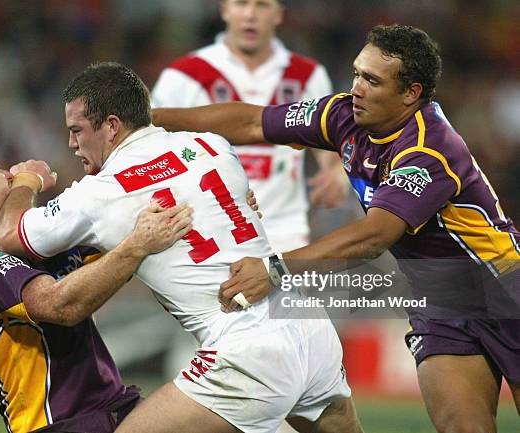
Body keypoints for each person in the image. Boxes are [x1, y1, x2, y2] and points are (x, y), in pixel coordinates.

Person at [152, 24, 520, 432]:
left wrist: (274, 270)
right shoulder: (344, 115)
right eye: (357, 73)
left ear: (411, 93)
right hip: (441, 303)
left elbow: (375, 236)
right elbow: (253, 122)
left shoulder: (428, 149)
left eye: (372, 80)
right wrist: (147, 122)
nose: (357, 88)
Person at [0, 62, 363, 433]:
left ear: (111, 125)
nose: (72, 144)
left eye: (77, 131)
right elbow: (232, 202)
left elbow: (10, 235)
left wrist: (26, 180)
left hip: (245, 353)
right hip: (308, 327)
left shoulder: (98, 194)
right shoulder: (211, 145)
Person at [0, 144, 193, 433]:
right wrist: (29, 183)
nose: (10, 173)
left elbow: (114, 257)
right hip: (60, 423)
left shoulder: (38, 237)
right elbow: (60, 306)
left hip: (114, 406)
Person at [152, 0, 347, 252]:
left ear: (279, 14)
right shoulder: (183, 76)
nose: (251, 15)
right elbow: (149, 139)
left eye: (262, 5)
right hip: (207, 233)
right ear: (224, 10)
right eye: (241, 3)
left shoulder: (308, 75)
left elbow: (326, 139)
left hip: (284, 233)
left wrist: (336, 173)